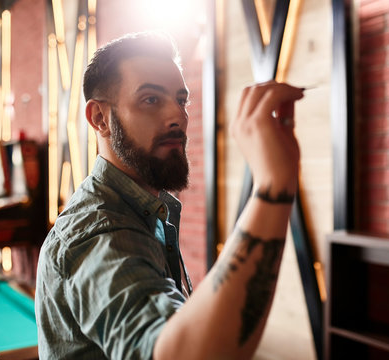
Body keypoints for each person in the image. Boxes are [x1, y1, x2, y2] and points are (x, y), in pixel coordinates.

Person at [35, 31, 304, 360]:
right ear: (100, 118)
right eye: (150, 99)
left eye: (180, 99)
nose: (177, 116)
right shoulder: (95, 232)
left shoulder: (146, 209)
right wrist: (271, 188)